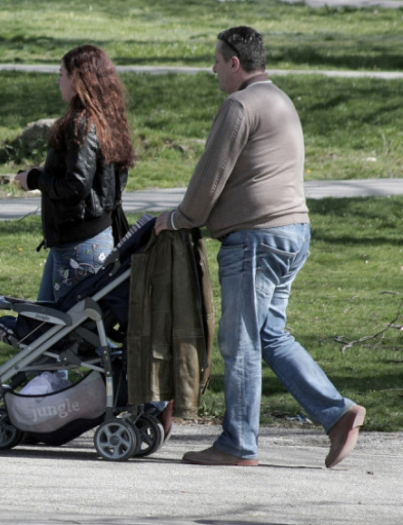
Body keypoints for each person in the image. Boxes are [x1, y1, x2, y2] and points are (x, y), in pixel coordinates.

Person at [154, 26, 365, 468]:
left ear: (235, 62)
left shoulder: (239, 105)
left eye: (217, 60)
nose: (212, 68)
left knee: (241, 341)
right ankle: (338, 413)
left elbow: (211, 175)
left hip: (256, 240)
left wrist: (178, 219)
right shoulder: (280, 100)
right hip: (292, 234)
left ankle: (238, 443)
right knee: (269, 334)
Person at [0, 44, 134, 339]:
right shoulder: (107, 122)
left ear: (78, 79)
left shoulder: (80, 125)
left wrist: (35, 181)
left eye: (61, 74)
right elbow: (91, 180)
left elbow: (76, 186)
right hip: (90, 240)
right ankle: (43, 378)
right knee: (49, 327)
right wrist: (40, 175)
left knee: (58, 336)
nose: (58, 81)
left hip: (80, 246)